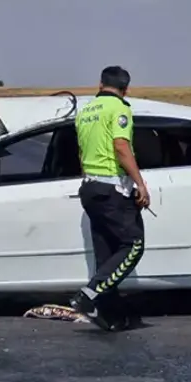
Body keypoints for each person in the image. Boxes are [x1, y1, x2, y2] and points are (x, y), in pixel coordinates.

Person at [70, 65, 150, 332]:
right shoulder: (120, 109)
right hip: (111, 188)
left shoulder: (85, 111)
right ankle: (90, 294)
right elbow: (121, 146)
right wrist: (140, 183)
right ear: (125, 89)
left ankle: (108, 314)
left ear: (100, 83)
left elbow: (82, 153)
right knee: (134, 244)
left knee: (106, 254)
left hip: (90, 187)